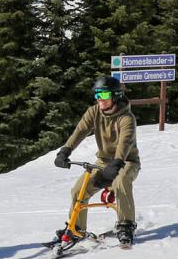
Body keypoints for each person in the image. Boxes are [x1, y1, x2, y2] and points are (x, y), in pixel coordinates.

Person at [53, 76, 141, 246]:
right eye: (97, 94)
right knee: (79, 189)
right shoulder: (94, 112)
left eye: (104, 94)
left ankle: (126, 225)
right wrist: (65, 150)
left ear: (115, 96)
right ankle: (76, 228)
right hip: (103, 161)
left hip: (127, 161)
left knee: (121, 181)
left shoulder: (127, 118)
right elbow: (80, 131)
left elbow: (125, 142)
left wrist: (116, 164)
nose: (100, 99)